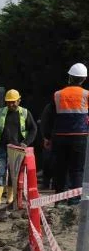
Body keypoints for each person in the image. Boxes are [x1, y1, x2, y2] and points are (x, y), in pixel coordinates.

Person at [42, 63, 89, 205]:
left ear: (70, 77)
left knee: (60, 168)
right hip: (80, 137)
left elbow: (48, 117)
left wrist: (47, 137)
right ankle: (75, 200)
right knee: (77, 169)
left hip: (60, 137)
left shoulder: (58, 95)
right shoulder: (87, 95)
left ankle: (60, 200)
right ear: (84, 79)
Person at [0, 89, 37, 205]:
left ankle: (11, 197)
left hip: (17, 148)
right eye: (8, 102)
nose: (11, 104)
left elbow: (33, 129)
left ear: (19, 100)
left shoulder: (25, 113)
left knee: (14, 173)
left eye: (13, 102)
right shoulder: (1, 112)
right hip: (1, 146)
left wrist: (26, 143)